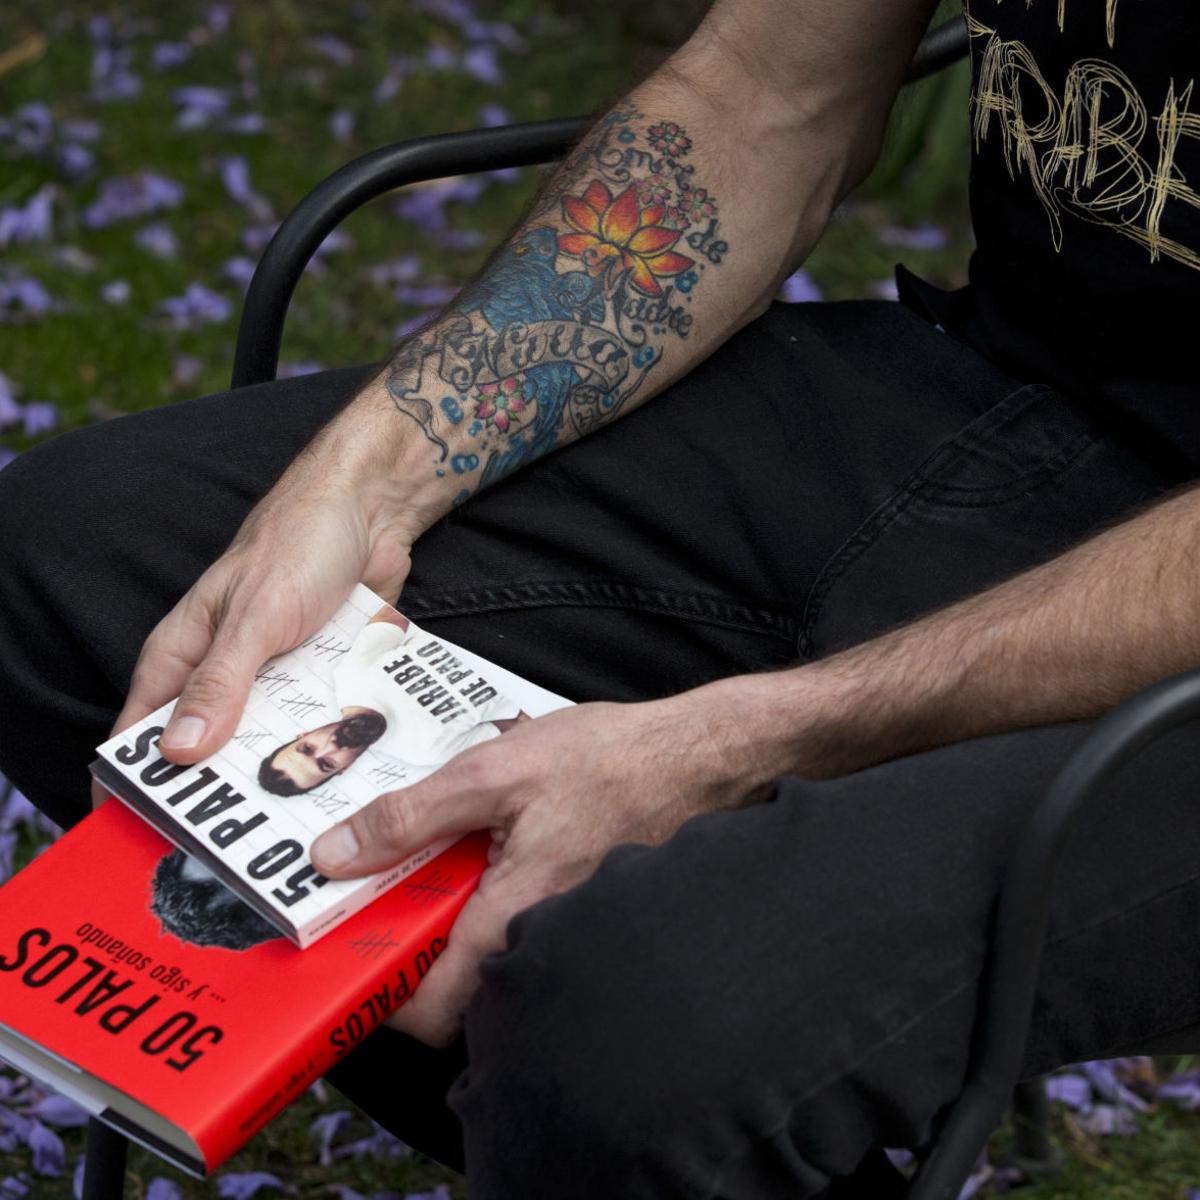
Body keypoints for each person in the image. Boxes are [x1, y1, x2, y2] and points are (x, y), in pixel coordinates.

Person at [1, 0, 1198, 1195]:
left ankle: (614, 1095)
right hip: (994, 393)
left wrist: (742, 737)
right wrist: (364, 481)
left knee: (625, 1020)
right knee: (86, 564)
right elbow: (769, 93)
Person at [257, 607, 521, 796]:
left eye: (307, 748)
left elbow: (397, 611)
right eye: (327, 764)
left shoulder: (351, 676)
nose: (331, 746)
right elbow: (517, 724)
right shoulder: (424, 752)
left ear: (304, 734)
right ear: (344, 769)